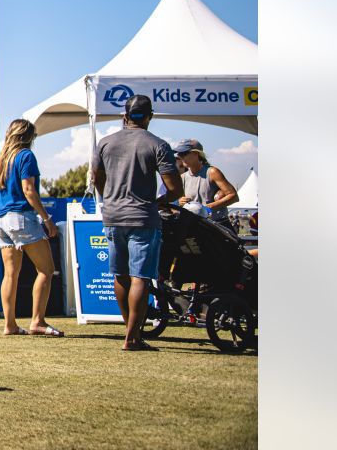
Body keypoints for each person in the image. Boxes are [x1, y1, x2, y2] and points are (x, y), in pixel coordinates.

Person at [91, 95, 182, 351]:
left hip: (112, 216)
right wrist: (160, 201)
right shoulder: (158, 145)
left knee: (120, 275)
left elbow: (96, 177)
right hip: (143, 216)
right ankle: (132, 337)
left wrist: (109, 196)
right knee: (140, 277)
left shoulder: (105, 143)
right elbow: (175, 189)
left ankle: (130, 329)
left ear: (125, 115)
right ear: (150, 116)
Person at [0, 119, 63, 337]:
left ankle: (10, 325)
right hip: (21, 217)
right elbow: (29, 190)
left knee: (10, 274)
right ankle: (37, 321)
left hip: (0, 219)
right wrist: (47, 219)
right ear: (29, 136)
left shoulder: (1, 160)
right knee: (46, 269)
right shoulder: (26, 156)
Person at [172, 139, 239, 225]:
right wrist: (180, 201)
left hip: (218, 225)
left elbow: (233, 196)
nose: (181, 157)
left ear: (196, 154)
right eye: (179, 154)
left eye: (184, 153)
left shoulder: (212, 172)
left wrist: (209, 207)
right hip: (196, 225)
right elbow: (180, 201)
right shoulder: (182, 177)